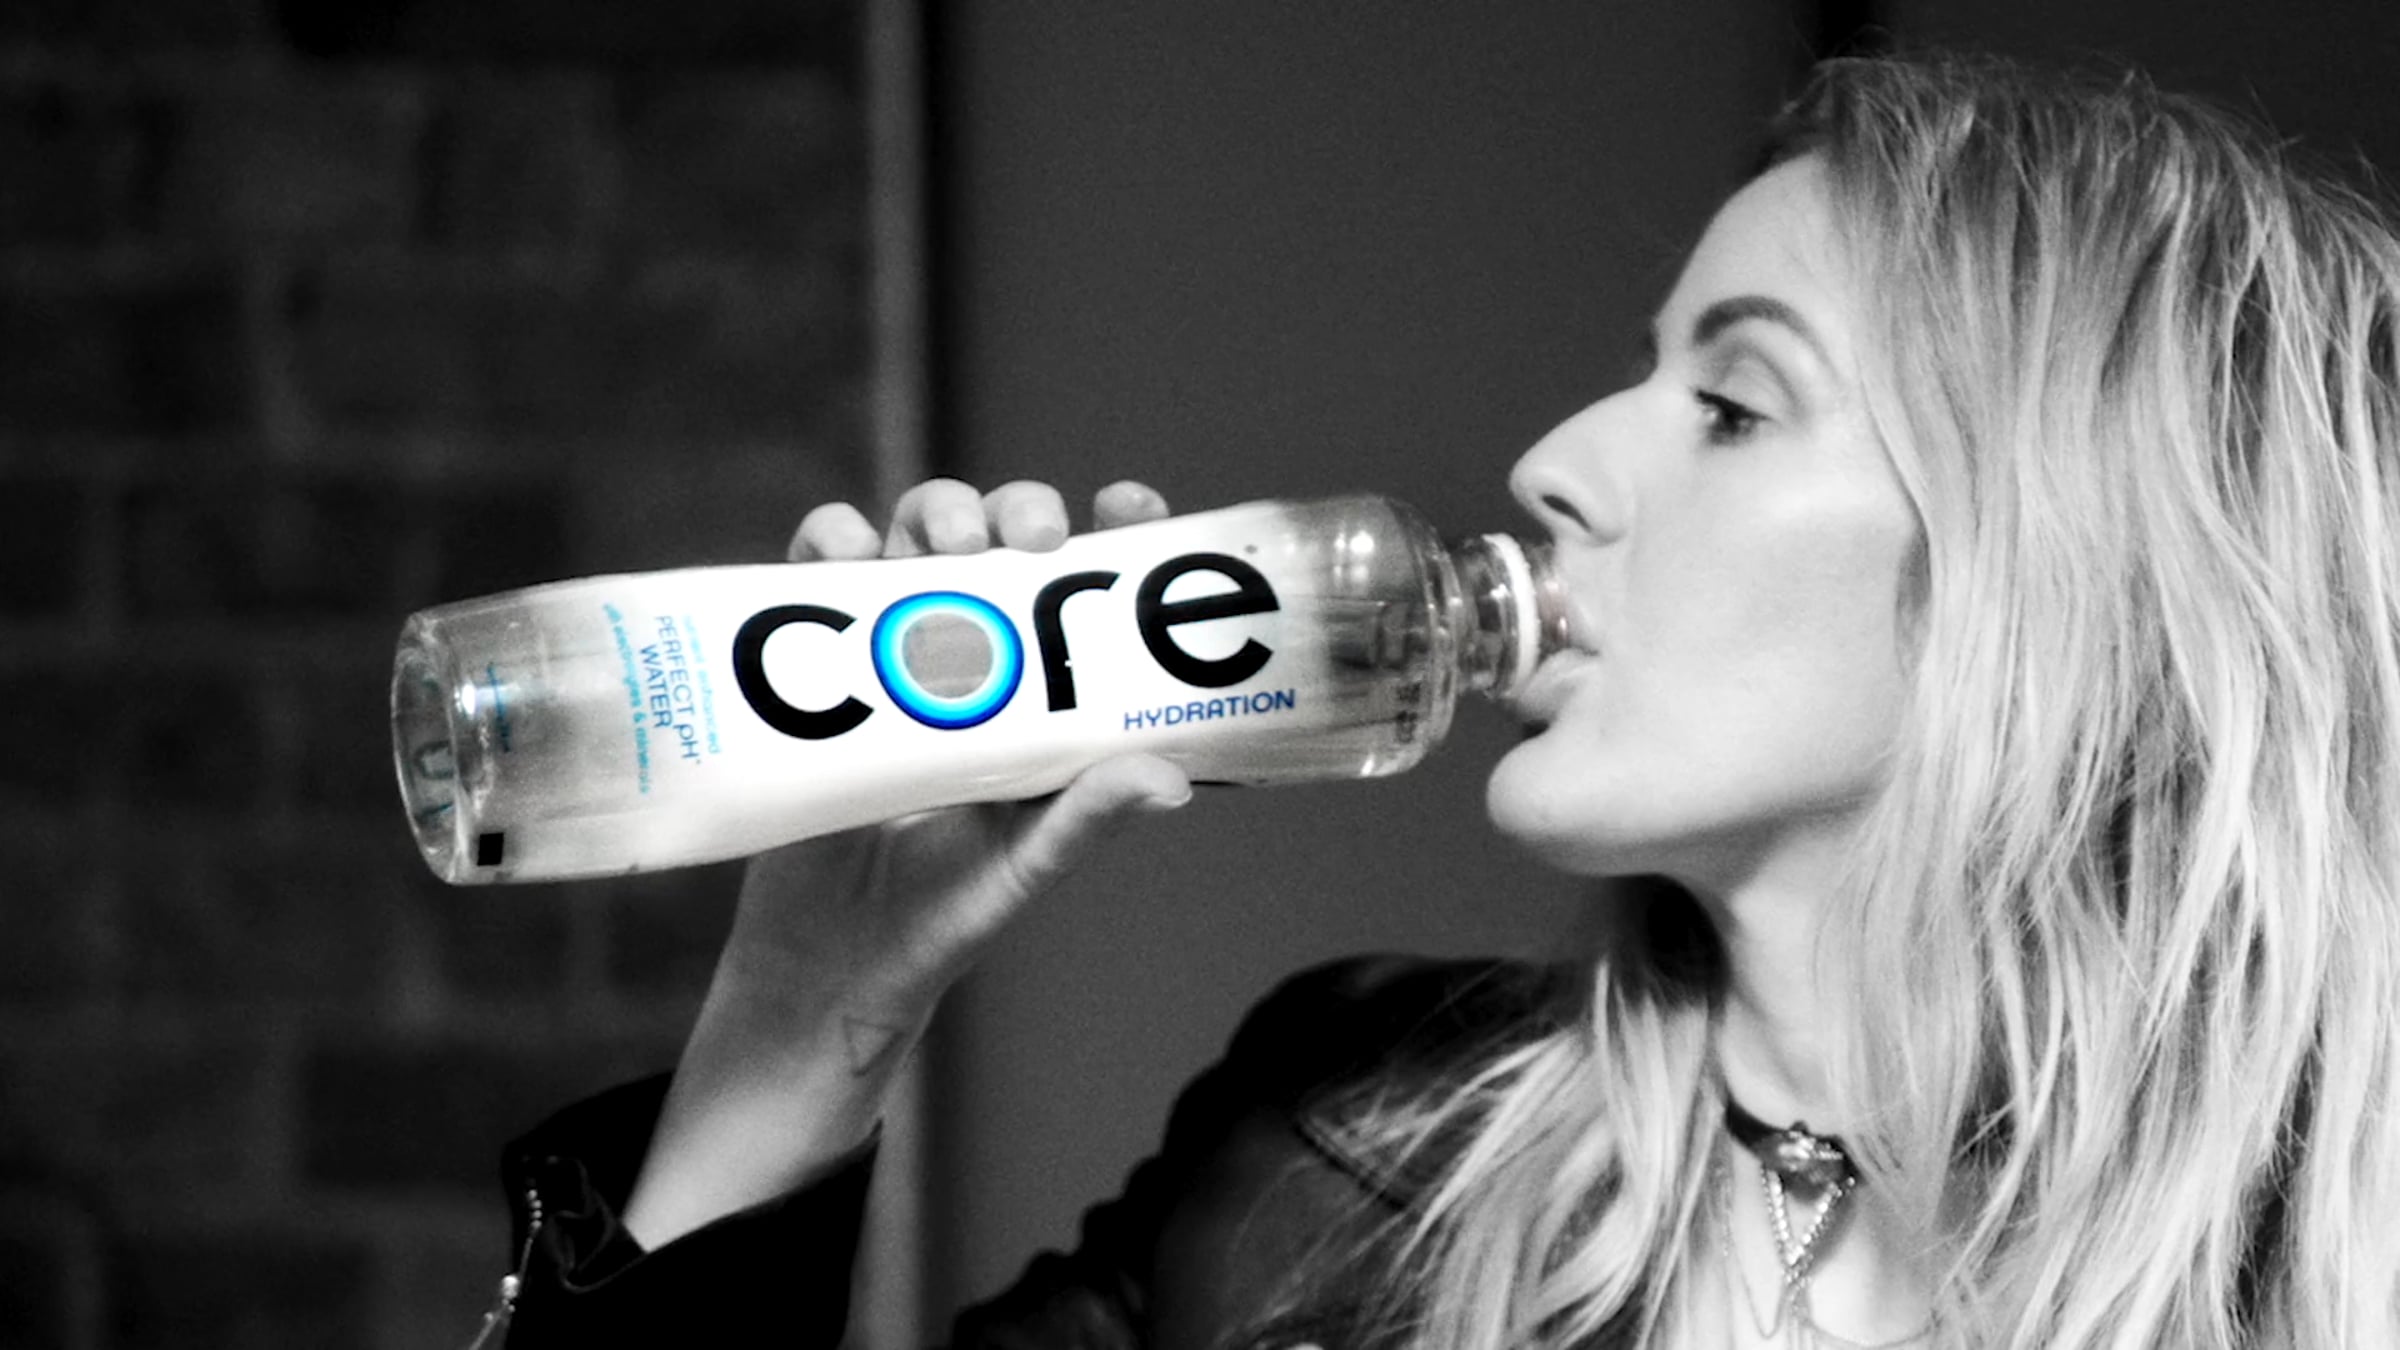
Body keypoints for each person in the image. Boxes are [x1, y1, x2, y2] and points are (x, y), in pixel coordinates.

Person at [483, 53, 2400, 1348]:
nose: (1556, 460)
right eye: (1640, 372)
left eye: (1733, 405)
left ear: (2073, 565)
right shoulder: (1340, 1150)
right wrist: (807, 1015)